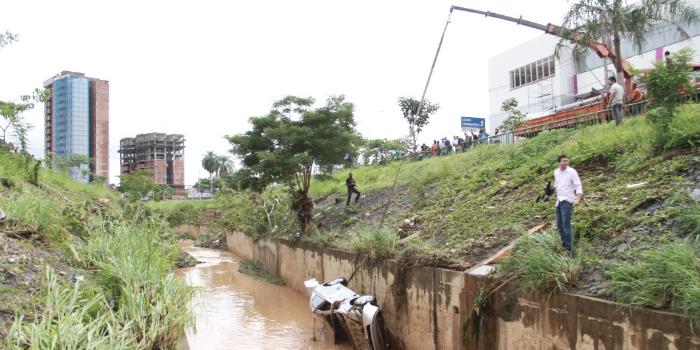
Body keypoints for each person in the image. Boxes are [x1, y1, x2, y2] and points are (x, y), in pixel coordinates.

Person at [553, 154, 583, 256]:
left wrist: (578, 198)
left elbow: (578, 185)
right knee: (559, 226)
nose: (566, 163)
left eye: (567, 161)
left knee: (566, 226)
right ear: (559, 162)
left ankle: (571, 251)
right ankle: (565, 246)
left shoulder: (572, 172)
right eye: (563, 161)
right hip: (559, 201)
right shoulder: (556, 172)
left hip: (567, 201)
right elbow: (557, 186)